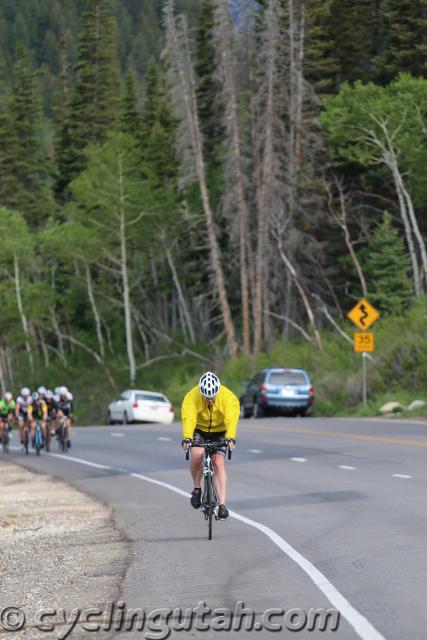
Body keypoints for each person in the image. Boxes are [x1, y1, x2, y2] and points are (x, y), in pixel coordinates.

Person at [181, 372, 239, 520]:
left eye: (212, 397)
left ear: (218, 391)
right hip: (199, 429)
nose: (210, 400)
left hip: (220, 430)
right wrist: (187, 437)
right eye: (206, 397)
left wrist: (230, 437)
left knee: (218, 463)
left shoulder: (228, 397)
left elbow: (231, 417)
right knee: (196, 454)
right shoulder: (192, 396)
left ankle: (222, 505)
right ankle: (197, 489)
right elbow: (189, 417)